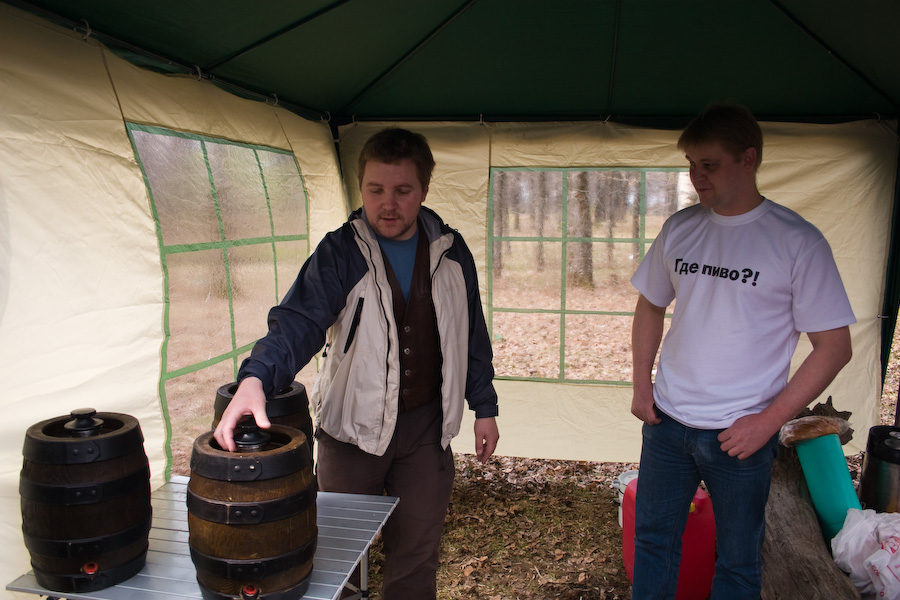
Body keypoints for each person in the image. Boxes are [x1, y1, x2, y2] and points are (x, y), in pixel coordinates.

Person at [213, 127, 500, 599]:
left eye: (403, 191)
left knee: (416, 556)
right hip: (351, 432)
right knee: (338, 559)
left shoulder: (452, 251)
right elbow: (297, 322)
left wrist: (484, 406)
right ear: (361, 186)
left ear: (424, 190)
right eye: (375, 189)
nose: (388, 204)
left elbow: (471, 332)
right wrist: (256, 380)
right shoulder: (340, 251)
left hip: (426, 433)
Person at [629, 104, 855, 599]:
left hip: (740, 433)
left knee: (737, 562)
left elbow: (835, 347)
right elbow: (650, 305)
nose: (697, 177)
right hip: (666, 423)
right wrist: (641, 384)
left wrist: (768, 422)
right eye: (691, 165)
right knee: (653, 543)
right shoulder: (681, 227)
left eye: (709, 165)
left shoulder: (797, 241)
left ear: (748, 159)